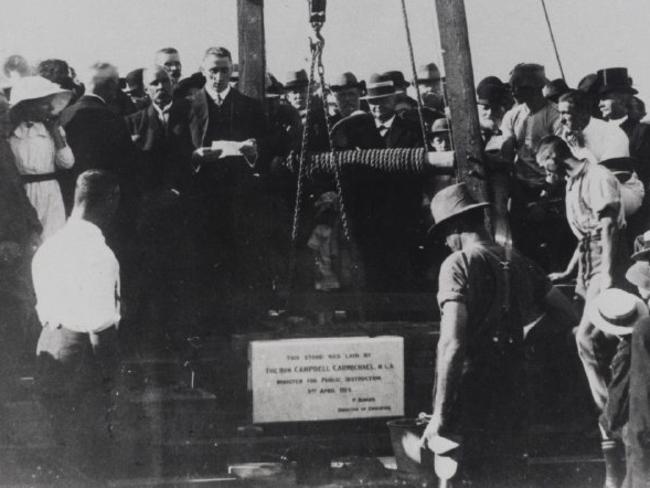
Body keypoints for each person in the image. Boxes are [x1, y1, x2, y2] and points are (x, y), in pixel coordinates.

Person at [420, 182, 560, 486]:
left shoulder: (457, 264)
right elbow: (566, 314)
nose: (445, 242)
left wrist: (440, 415)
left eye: (444, 233)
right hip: (515, 386)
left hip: (473, 392)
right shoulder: (520, 261)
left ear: (456, 225)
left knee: (459, 474)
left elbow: (451, 344)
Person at [536, 135, 630, 483]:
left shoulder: (597, 177)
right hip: (587, 261)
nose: (543, 171)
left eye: (542, 163)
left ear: (552, 157)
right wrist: (569, 270)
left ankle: (611, 420)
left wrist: (605, 273)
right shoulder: (571, 184)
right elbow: (583, 236)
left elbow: (607, 228)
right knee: (582, 336)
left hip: (606, 259)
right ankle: (608, 416)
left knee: (586, 339)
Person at [33, 170, 121, 478]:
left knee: (60, 461)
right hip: (82, 365)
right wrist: (113, 383)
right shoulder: (100, 255)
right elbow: (100, 330)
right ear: (111, 201)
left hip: (48, 355)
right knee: (89, 465)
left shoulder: (48, 248)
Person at [186, 46, 272, 332]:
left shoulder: (249, 106)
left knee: (241, 260)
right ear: (203, 71)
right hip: (202, 198)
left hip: (239, 198)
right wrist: (196, 157)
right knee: (205, 260)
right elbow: (177, 151)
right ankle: (208, 326)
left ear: (232, 71)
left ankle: (242, 322)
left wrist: (252, 152)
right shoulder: (188, 106)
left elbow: (267, 149)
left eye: (224, 70)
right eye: (213, 70)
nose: (219, 76)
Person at [124, 66, 193, 349]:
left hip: (183, 208)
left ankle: (180, 338)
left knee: (182, 275)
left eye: (165, 82)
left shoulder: (189, 116)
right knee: (151, 275)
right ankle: (151, 339)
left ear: (172, 83)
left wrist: (178, 190)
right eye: (155, 83)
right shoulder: (133, 122)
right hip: (149, 213)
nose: (161, 87)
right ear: (145, 89)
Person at [586, 286, 650, 488]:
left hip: (636, 423)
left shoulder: (626, 351)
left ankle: (612, 476)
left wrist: (607, 421)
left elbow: (619, 394)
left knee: (605, 424)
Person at [500, 63, 562, 263]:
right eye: (512, 87)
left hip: (551, 188)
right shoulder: (512, 115)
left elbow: (560, 162)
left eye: (520, 87)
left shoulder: (555, 116)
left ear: (536, 87)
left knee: (554, 245)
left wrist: (544, 201)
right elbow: (507, 156)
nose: (514, 92)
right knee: (523, 246)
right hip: (521, 187)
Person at [60, 62, 137, 219]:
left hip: (71, 200)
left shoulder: (65, 115)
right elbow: (127, 166)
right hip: (106, 205)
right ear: (112, 85)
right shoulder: (111, 118)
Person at [559, 89, 644, 218]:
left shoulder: (611, 133)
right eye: (560, 113)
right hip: (585, 193)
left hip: (623, 191)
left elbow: (607, 178)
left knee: (600, 193)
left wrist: (581, 150)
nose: (561, 120)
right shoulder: (565, 135)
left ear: (582, 112)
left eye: (565, 113)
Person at [9, 76, 74, 239]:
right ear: (29, 104)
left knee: (54, 240)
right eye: (44, 102)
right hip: (24, 194)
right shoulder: (11, 132)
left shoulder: (51, 130)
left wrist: (55, 132)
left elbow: (67, 163)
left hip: (51, 192)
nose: (50, 107)